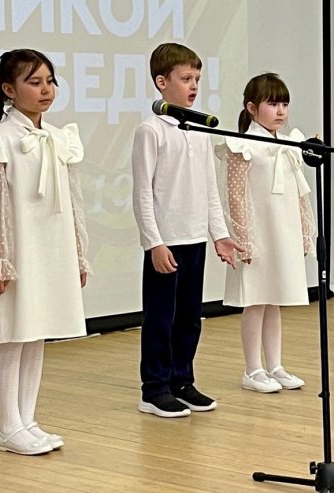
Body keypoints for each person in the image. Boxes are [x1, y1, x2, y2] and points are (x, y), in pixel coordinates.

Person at [0, 49, 91, 454]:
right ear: (9, 89)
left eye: (50, 81)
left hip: (51, 249)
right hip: (18, 251)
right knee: (13, 335)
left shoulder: (57, 137)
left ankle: (27, 419)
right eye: (34, 82)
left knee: (37, 332)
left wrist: (77, 253)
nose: (45, 90)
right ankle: (8, 426)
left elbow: (73, 201)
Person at [131, 42, 243, 418]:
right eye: (185, 78)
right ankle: (154, 388)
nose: (193, 85)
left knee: (189, 317)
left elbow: (210, 189)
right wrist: (154, 243)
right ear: (162, 82)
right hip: (167, 241)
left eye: (197, 78)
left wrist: (220, 234)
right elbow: (142, 193)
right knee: (161, 318)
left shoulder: (199, 130)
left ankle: (182, 380)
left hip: (195, 238)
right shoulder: (150, 131)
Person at [215, 73, 316, 394]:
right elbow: (234, 195)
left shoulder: (289, 145)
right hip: (257, 236)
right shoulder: (242, 145)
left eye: (284, 104)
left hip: (282, 233)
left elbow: (299, 192)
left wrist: (305, 231)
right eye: (272, 104)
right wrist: (243, 238)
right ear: (252, 107)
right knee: (256, 301)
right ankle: (253, 369)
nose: (280, 111)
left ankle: (275, 365)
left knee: (275, 300)